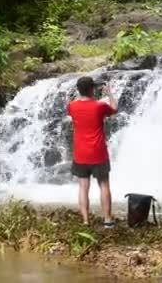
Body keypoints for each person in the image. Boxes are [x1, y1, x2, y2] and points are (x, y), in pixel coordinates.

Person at [67, 76, 118, 228]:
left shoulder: (72, 106)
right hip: (98, 153)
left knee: (83, 186)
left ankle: (85, 221)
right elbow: (114, 109)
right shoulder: (100, 106)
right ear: (92, 89)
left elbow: (72, 109)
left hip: (80, 154)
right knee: (104, 184)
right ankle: (107, 220)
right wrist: (109, 94)